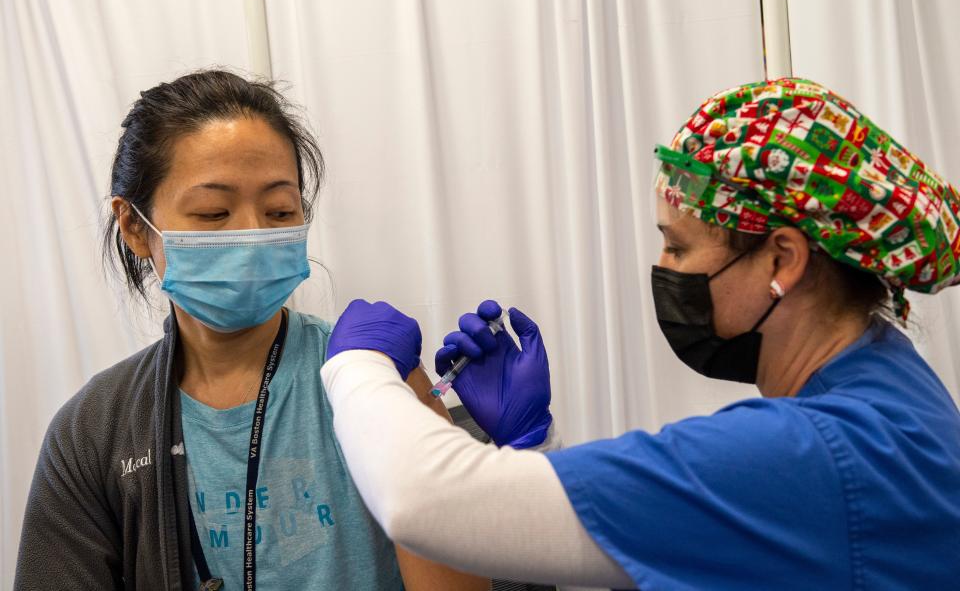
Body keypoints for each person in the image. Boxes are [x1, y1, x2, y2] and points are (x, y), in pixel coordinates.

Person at [320, 78, 960, 589]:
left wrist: (357, 364)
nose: (663, 271)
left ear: (782, 260)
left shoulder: (809, 453)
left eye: (679, 248)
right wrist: (532, 446)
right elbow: (638, 555)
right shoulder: (889, 381)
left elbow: (422, 502)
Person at [14, 70, 489, 591]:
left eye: (279, 210)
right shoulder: (94, 432)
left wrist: (433, 430)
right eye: (213, 213)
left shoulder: (370, 376)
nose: (254, 235)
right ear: (133, 226)